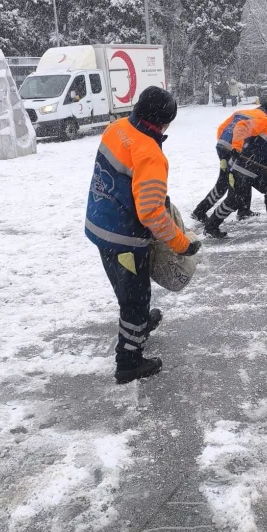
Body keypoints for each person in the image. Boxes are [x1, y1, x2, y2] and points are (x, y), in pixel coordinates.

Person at [85, 86, 202, 383]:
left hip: (101, 221)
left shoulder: (118, 128)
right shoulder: (149, 154)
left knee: (128, 291)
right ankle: (129, 361)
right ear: (163, 123)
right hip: (124, 238)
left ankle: (137, 326)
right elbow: (150, 213)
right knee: (135, 299)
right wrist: (181, 243)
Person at [204, 104, 267, 239]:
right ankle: (210, 226)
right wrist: (236, 147)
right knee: (235, 200)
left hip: (257, 171)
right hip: (241, 167)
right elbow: (242, 126)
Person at [191, 102, 267, 224]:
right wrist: (238, 148)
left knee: (243, 177)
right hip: (235, 148)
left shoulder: (243, 112)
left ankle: (244, 210)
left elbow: (222, 128)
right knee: (227, 183)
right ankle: (200, 212)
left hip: (223, 145)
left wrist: (223, 145)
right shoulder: (264, 118)